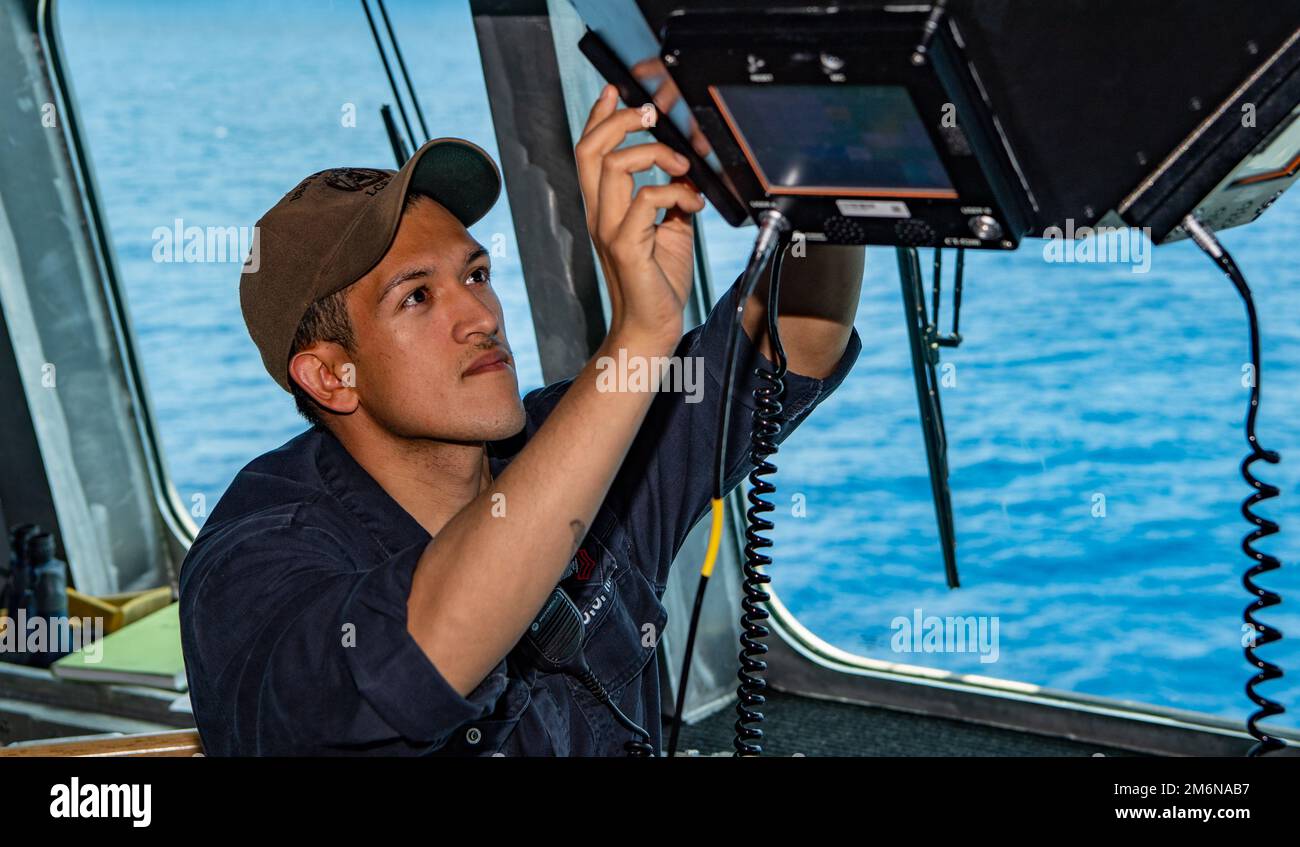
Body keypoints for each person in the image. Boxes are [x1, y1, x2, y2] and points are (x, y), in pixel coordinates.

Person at [178, 84, 864, 755]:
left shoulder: (568, 441)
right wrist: (637, 338)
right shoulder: (253, 563)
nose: (482, 317)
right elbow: (420, 653)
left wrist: (817, 154)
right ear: (330, 375)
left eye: (475, 275)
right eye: (418, 296)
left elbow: (790, 343)